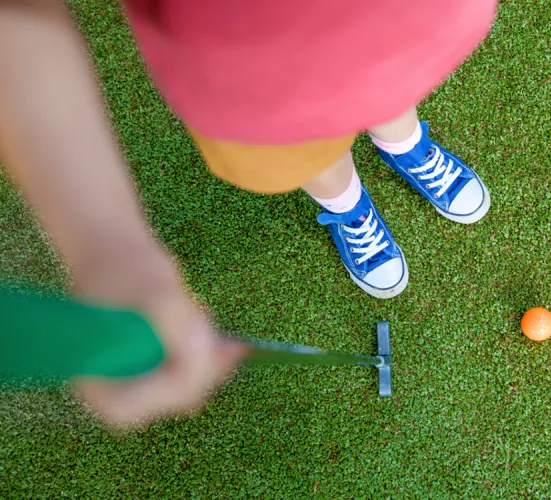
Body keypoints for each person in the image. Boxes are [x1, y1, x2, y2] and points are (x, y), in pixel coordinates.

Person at [0, 0, 497, 427]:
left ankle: (407, 147)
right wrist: (110, 250)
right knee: (299, 145)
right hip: (246, 71)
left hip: (402, 21)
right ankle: (349, 206)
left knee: (390, 80)